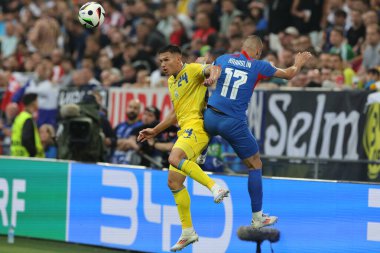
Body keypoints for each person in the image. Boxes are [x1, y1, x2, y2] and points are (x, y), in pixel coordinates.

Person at [203, 35, 311, 229]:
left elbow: (209, 72)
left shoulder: (223, 58)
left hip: (210, 117)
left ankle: (201, 152)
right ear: (258, 52)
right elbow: (289, 74)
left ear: (242, 46)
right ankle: (258, 218)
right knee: (255, 164)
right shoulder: (258, 65)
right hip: (232, 121)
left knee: (206, 130)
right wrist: (298, 62)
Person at [137, 45, 229, 252]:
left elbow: (213, 69)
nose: (162, 65)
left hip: (197, 128)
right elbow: (175, 114)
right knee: (174, 182)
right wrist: (155, 130)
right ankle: (188, 231)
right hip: (184, 130)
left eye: (166, 60)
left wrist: (212, 76)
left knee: (174, 157)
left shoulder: (192, 69)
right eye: (160, 61)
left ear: (179, 59)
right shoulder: (172, 81)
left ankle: (215, 187)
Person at [11, 93, 45, 158]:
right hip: (27, 158)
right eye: (37, 101)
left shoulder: (19, 117)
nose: (38, 103)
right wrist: (33, 153)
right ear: (33, 103)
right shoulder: (27, 118)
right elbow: (26, 139)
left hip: (17, 155)